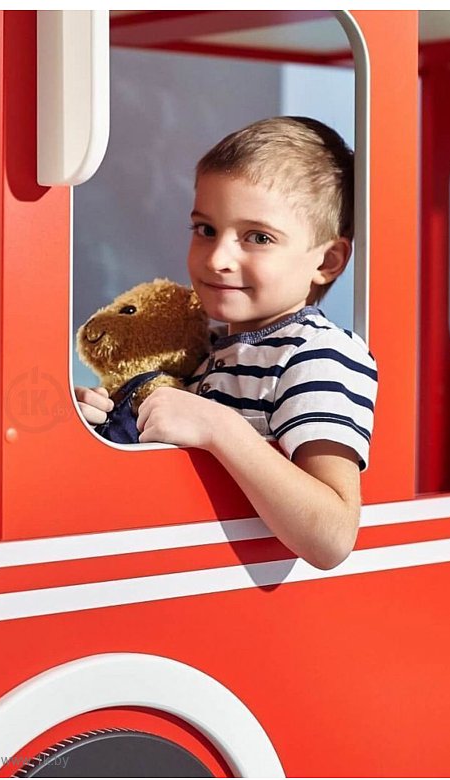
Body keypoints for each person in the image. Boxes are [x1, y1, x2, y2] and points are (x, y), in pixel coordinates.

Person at [76, 117, 376, 570]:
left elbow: (331, 536)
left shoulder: (320, 356)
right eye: (205, 230)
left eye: (258, 238)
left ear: (328, 261)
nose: (217, 259)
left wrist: (219, 428)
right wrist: (100, 427)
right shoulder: (206, 353)